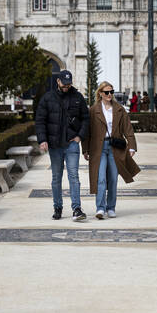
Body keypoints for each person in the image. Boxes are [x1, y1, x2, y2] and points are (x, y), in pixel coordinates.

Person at [35, 70, 90, 222]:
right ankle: (57, 207)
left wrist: (80, 136)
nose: (67, 86)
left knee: (74, 177)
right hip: (55, 145)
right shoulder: (48, 98)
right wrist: (42, 140)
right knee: (56, 178)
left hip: (72, 143)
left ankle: (77, 209)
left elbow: (86, 118)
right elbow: (40, 120)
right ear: (58, 81)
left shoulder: (78, 97)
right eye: (64, 83)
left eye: (69, 83)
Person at [83, 81, 140, 219]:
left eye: (111, 92)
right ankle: (100, 208)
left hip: (115, 148)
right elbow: (87, 132)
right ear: (100, 93)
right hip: (98, 148)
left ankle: (111, 207)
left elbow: (128, 129)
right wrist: (85, 149)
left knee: (113, 178)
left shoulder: (119, 109)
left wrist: (132, 146)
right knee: (100, 178)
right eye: (107, 92)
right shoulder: (93, 110)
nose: (110, 95)